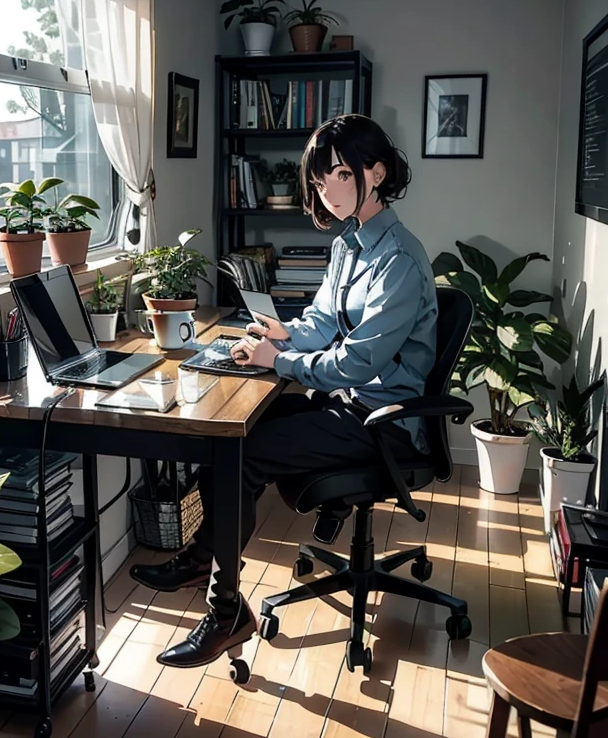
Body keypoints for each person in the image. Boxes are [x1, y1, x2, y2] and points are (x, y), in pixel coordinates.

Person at [131, 114, 439, 669]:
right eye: (321, 181)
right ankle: (205, 560)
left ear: (377, 172)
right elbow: (324, 320)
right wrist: (286, 334)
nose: (328, 190)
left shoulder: (399, 260)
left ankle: (225, 612)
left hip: (382, 421)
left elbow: (358, 359)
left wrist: (282, 360)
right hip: (349, 406)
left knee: (245, 454)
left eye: (340, 175)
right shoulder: (352, 244)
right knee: (229, 437)